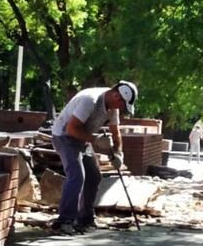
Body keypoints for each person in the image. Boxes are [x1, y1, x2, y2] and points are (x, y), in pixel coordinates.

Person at [51, 81, 138, 234]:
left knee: (94, 176)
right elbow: (71, 129)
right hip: (64, 136)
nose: (121, 109)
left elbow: (115, 132)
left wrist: (118, 153)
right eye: (122, 105)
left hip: (81, 138)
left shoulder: (112, 108)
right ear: (116, 95)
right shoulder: (89, 100)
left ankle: (85, 219)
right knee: (77, 176)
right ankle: (64, 221)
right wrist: (96, 140)